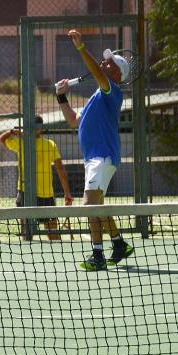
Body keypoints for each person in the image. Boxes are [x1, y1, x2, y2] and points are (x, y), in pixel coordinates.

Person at [55, 29, 134, 270]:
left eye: (108, 62)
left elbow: (98, 72)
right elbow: (74, 121)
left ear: (117, 72)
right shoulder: (97, 96)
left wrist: (80, 47)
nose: (103, 63)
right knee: (97, 206)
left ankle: (97, 255)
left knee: (89, 205)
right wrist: (61, 98)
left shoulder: (112, 91)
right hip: (94, 158)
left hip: (102, 157)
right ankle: (119, 244)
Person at [0, 116, 73, 240]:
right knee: (35, 235)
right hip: (28, 193)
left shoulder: (47, 144)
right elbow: (1, 138)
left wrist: (67, 194)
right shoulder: (25, 143)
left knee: (39, 235)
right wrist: (14, 131)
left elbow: (60, 170)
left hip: (43, 194)